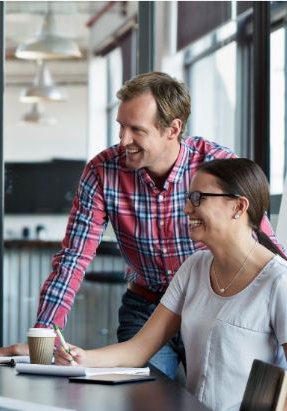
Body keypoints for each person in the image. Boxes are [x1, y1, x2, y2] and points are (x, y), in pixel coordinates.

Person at [0, 72, 282, 380]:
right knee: (144, 399)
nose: (123, 140)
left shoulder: (216, 168)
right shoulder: (103, 171)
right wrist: (43, 336)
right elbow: (73, 258)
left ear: (173, 128)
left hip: (209, 308)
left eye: (136, 130)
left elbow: (261, 239)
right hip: (146, 307)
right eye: (121, 126)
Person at [54, 158, 287, 411]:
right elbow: (138, 350)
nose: (187, 208)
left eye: (198, 198)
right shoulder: (194, 267)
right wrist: (82, 358)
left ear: (239, 206)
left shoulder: (279, 281)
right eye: (188, 197)